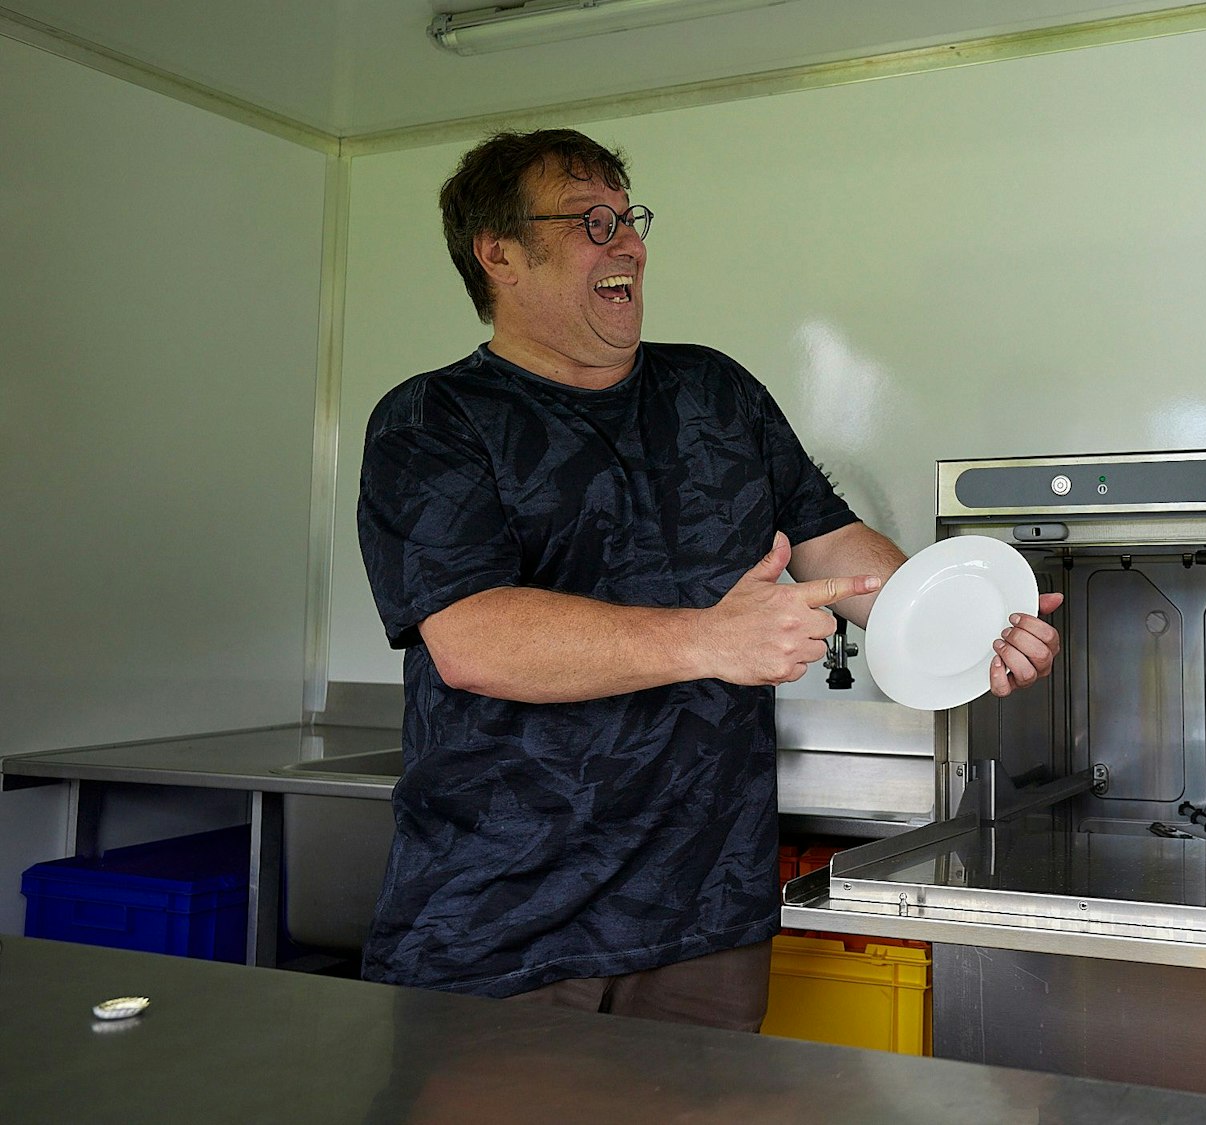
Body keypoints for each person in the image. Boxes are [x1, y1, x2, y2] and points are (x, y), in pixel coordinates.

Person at [355, 129, 1061, 1027]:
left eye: (631, 218)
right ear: (499, 254)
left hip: (705, 918)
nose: (630, 244)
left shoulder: (715, 393)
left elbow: (832, 547)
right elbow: (472, 638)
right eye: (592, 221)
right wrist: (711, 639)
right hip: (500, 927)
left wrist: (971, 625)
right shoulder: (432, 420)